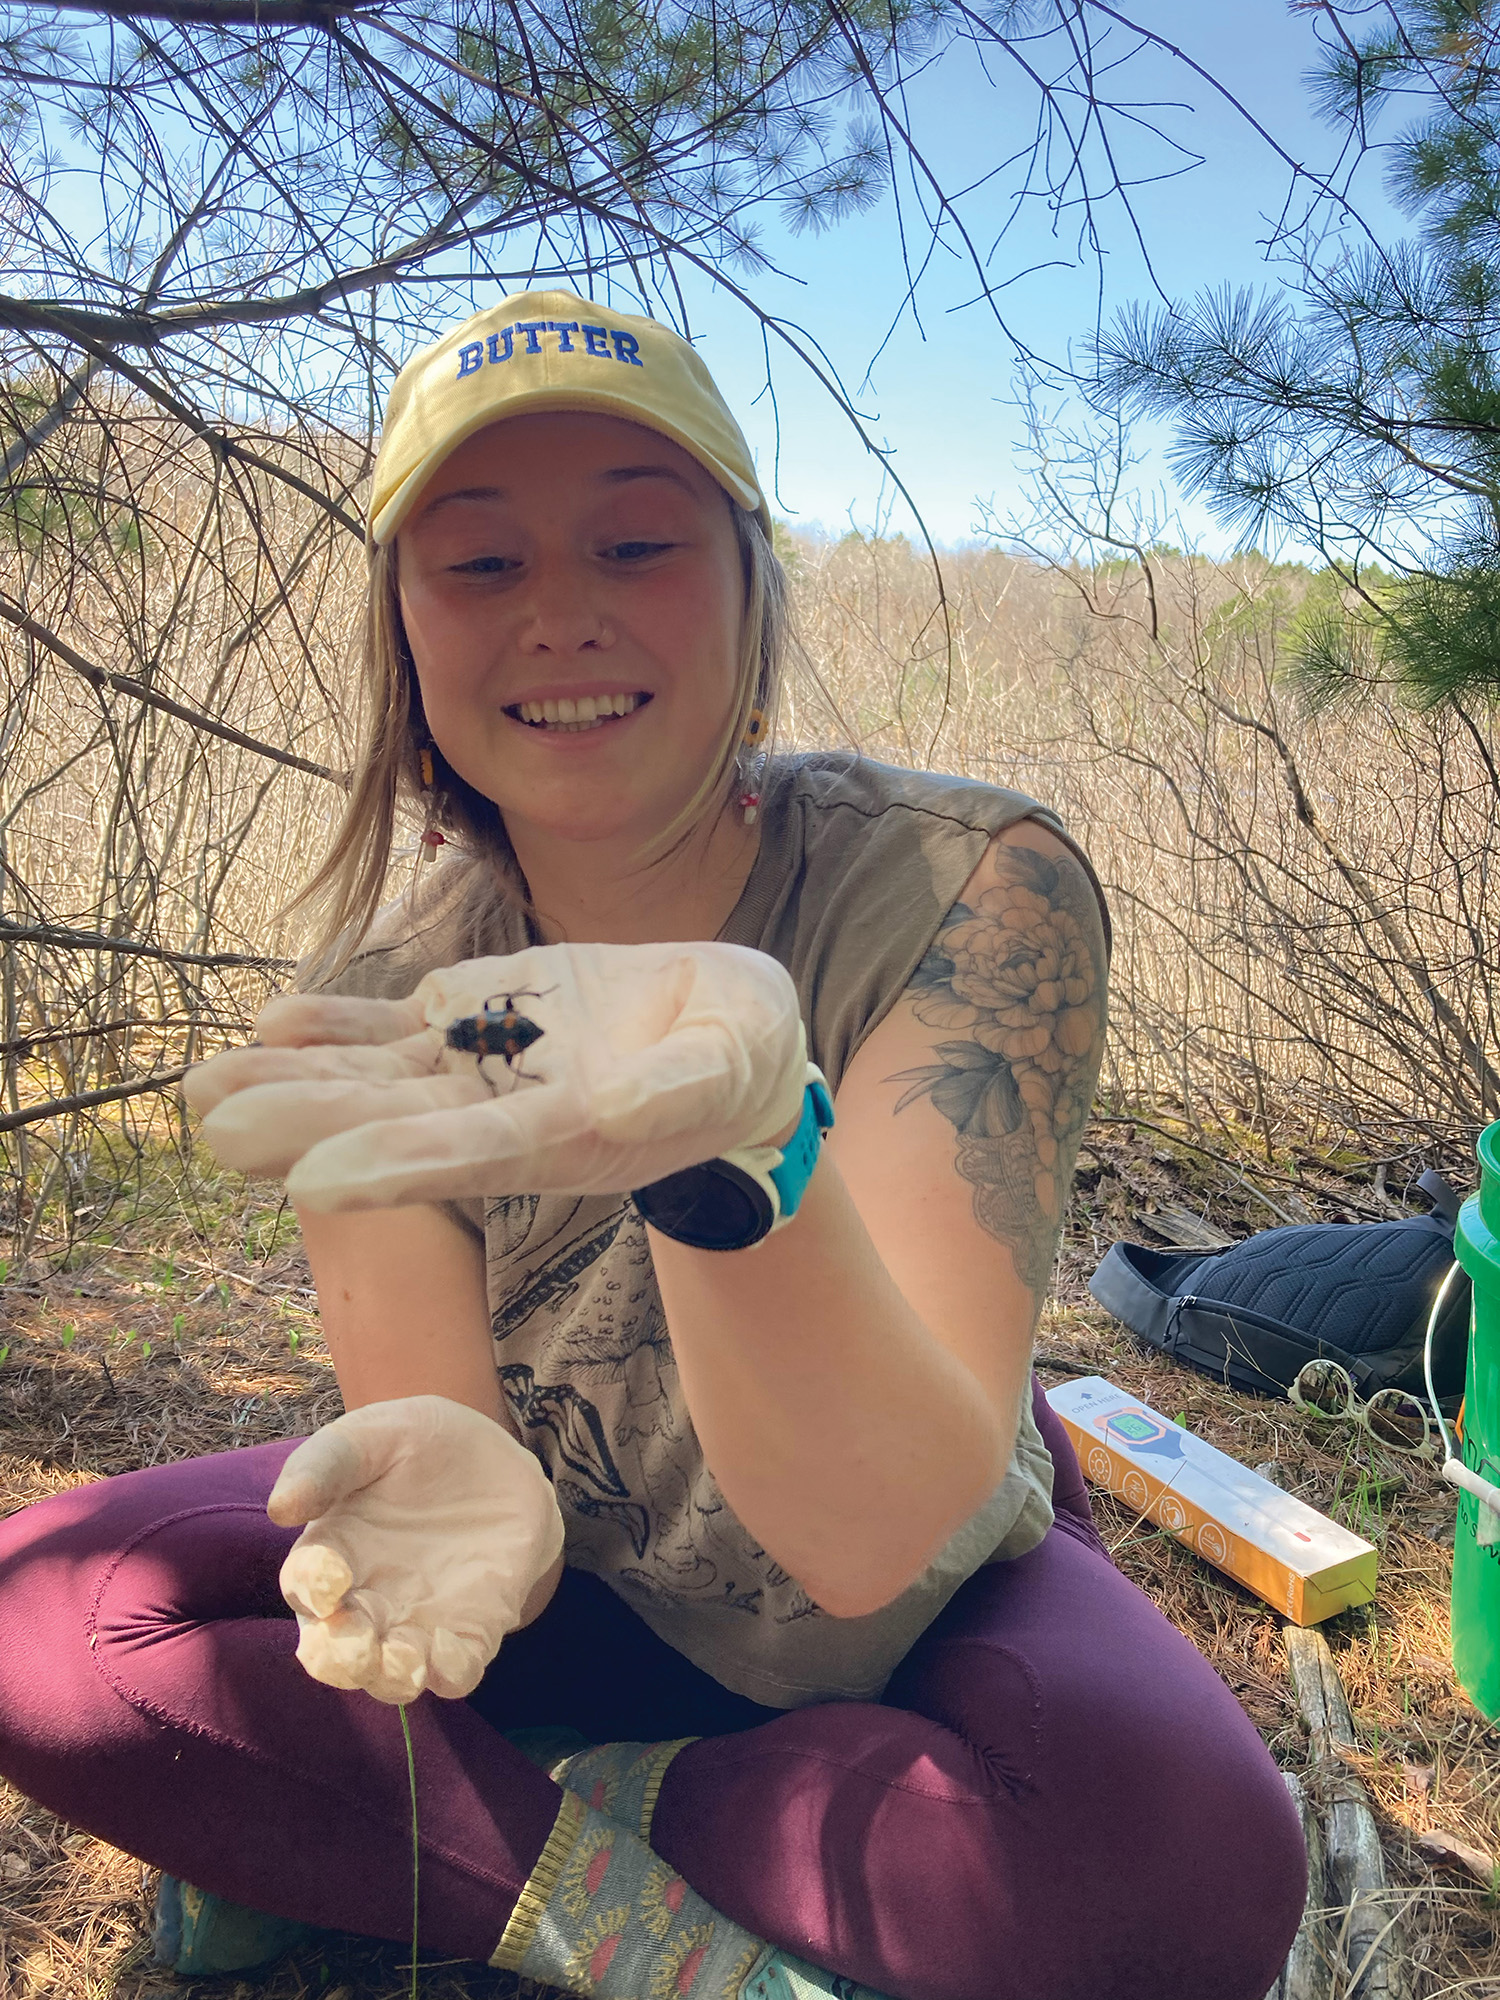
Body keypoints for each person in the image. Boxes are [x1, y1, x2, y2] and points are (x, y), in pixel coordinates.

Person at [0, 290, 1306, 2000]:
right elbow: (456, 1478)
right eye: (476, 566)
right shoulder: (392, 1011)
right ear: (402, 626)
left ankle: (412, 1848)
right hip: (584, 1576)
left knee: (1181, 1870)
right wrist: (464, 1512)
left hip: (912, 1601)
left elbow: (866, 1547)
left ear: (752, 583)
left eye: (634, 542)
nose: (558, 616)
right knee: (48, 1630)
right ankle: (611, 1894)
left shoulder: (962, 886)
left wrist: (737, 1136)